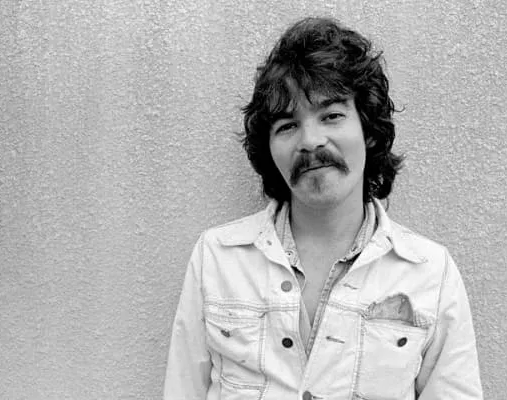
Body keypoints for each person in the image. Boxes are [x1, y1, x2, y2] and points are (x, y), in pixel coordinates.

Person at [164, 17, 482, 400]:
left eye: (331, 116)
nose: (311, 141)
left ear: (367, 129)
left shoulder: (430, 272)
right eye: (287, 125)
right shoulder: (217, 258)